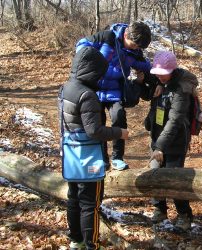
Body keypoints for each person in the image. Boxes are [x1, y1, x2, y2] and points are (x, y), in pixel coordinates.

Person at [59, 46, 129, 249]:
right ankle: (92, 244)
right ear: (91, 70)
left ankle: (76, 240)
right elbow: (94, 131)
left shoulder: (65, 88)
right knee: (90, 203)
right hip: (89, 156)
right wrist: (119, 133)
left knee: (73, 199)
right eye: (99, 73)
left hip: (71, 153)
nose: (100, 78)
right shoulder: (87, 95)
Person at [75, 21, 152, 171]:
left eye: (138, 47)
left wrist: (169, 74)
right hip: (94, 89)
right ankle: (103, 159)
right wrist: (89, 59)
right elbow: (81, 45)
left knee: (118, 116)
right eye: (134, 44)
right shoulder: (107, 38)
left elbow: (147, 67)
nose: (135, 48)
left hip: (115, 90)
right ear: (125, 35)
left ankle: (117, 157)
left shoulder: (134, 52)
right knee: (98, 124)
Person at [144, 51, 198, 232]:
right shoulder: (161, 83)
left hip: (175, 142)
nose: (159, 75)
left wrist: (160, 146)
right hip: (157, 139)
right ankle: (159, 209)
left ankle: (184, 215)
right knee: (155, 175)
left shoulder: (182, 89)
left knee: (174, 180)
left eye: (162, 72)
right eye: (157, 72)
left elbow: (174, 121)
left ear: (172, 70)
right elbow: (156, 107)